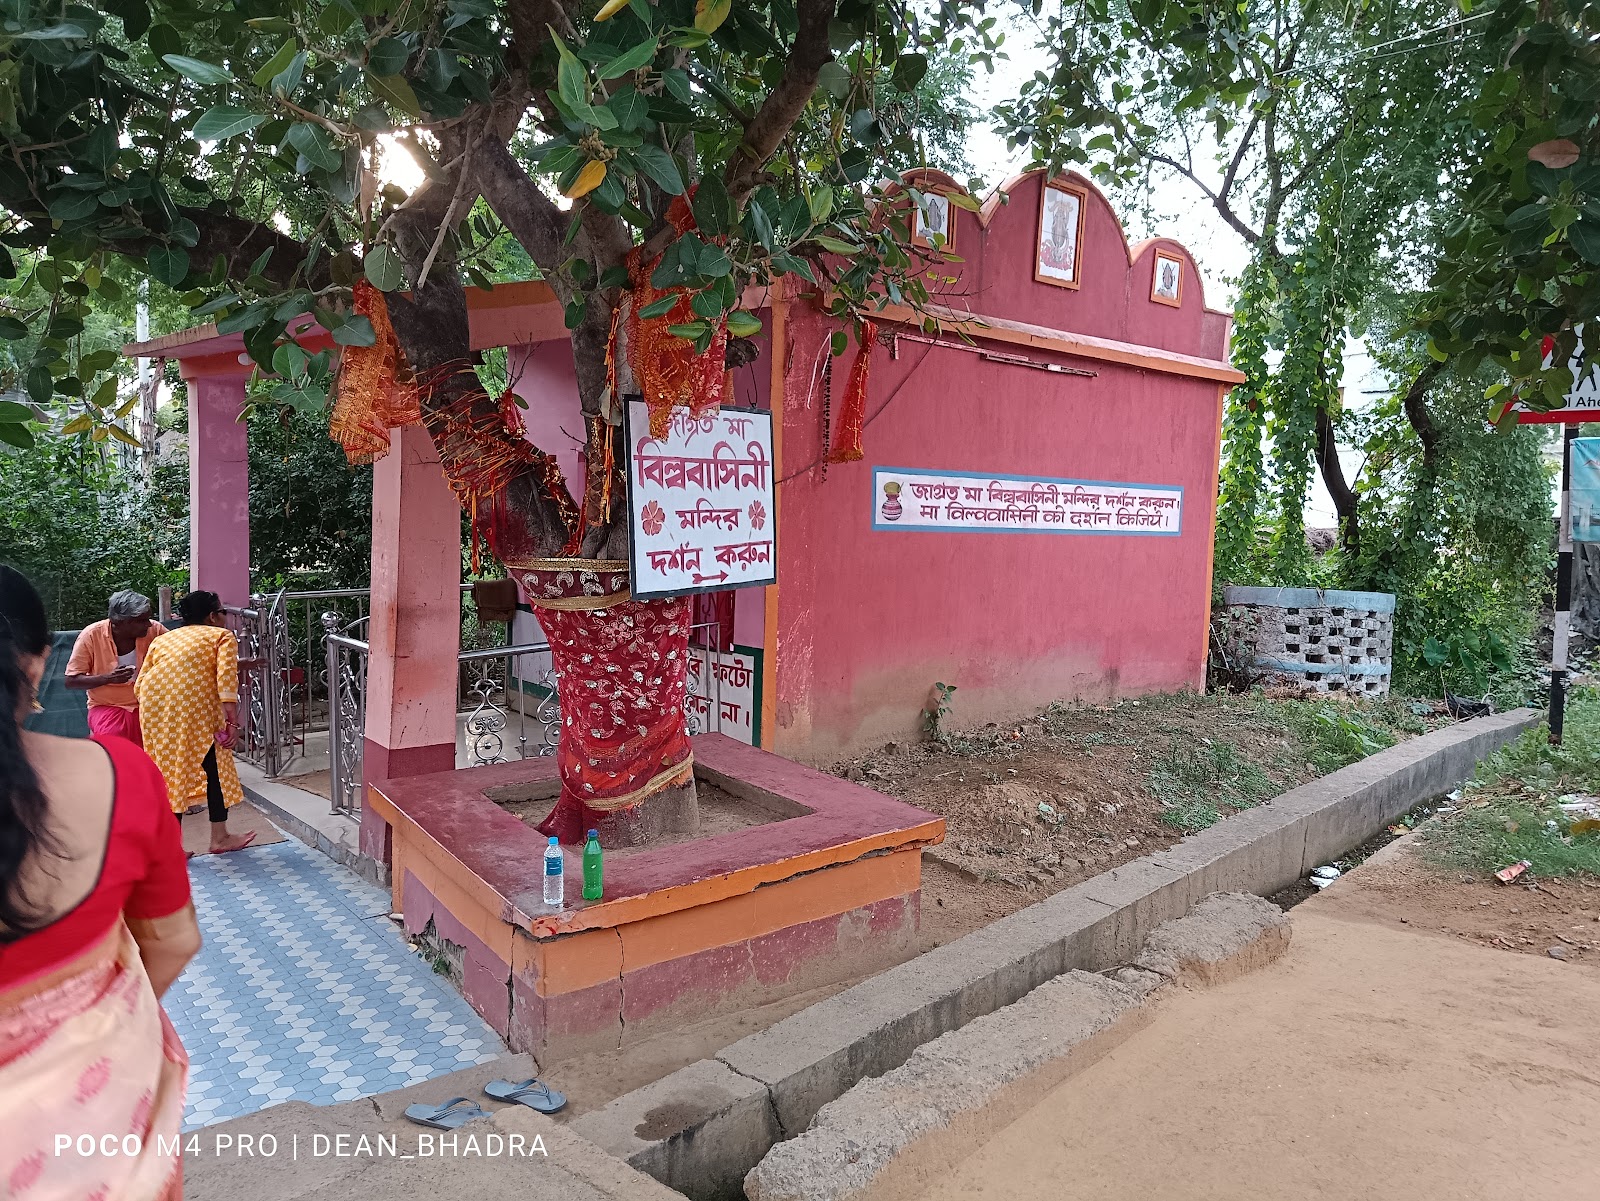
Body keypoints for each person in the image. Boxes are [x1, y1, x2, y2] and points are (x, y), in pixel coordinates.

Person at [0, 564, 197, 1200]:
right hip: (93, 1152)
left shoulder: (160, 635)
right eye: (127, 625)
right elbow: (171, 942)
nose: (135, 631)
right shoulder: (119, 777)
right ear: (35, 665)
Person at [136, 591, 256, 854]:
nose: (225, 617)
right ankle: (219, 838)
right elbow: (225, 678)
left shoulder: (163, 639)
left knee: (171, 772)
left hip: (156, 709)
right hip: (193, 708)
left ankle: (170, 850)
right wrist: (232, 722)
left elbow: (141, 682)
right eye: (222, 612)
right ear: (212, 616)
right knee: (215, 769)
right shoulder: (220, 635)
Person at [64, 589, 165, 745]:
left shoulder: (156, 630)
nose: (149, 624)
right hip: (107, 707)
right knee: (114, 746)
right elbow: (71, 681)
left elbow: (178, 655)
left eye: (148, 619)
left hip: (150, 706)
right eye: (142, 620)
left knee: (161, 748)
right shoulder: (91, 635)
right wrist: (108, 678)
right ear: (120, 623)